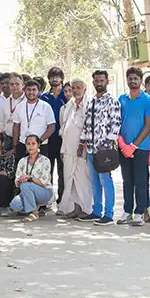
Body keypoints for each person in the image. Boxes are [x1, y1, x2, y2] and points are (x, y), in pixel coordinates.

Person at [78, 70, 121, 226]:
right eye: (96, 80)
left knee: (105, 180)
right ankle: (96, 211)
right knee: (94, 181)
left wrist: (107, 143)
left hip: (103, 149)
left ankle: (108, 214)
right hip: (90, 147)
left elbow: (116, 124)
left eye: (101, 80)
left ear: (107, 81)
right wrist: (82, 142)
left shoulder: (112, 101)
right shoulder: (90, 101)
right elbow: (87, 123)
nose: (99, 83)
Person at [116, 67, 150, 226]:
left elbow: (148, 125)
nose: (133, 81)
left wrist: (133, 145)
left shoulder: (148, 100)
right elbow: (116, 122)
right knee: (127, 181)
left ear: (140, 81)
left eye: (136, 78)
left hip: (141, 147)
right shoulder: (121, 99)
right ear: (127, 80)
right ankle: (127, 211)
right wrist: (123, 144)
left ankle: (139, 212)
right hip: (123, 147)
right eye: (130, 78)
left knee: (141, 181)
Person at [56, 80, 92, 218]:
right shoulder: (69, 106)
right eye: (74, 88)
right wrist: (63, 148)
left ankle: (86, 209)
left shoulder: (89, 104)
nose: (76, 90)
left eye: (79, 88)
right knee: (70, 180)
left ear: (85, 89)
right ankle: (75, 208)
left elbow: (88, 127)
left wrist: (83, 144)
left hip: (82, 150)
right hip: (68, 149)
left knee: (82, 180)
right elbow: (64, 128)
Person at [2, 135, 52, 221]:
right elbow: (17, 182)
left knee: (26, 185)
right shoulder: (22, 161)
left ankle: (34, 213)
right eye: (28, 144)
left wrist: (29, 179)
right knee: (15, 204)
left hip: (44, 192)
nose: (30, 146)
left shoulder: (45, 160)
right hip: (26, 190)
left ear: (38, 145)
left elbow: (44, 182)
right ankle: (35, 207)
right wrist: (20, 181)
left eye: (33, 143)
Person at [12, 79, 55, 160]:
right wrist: (15, 145)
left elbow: (52, 127)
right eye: (28, 89)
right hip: (23, 144)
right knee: (22, 171)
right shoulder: (19, 106)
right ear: (24, 91)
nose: (31, 92)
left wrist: (39, 141)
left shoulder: (45, 106)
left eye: (34, 90)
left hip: (41, 145)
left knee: (39, 171)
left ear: (38, 91)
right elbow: (16, 126)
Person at [41, 67, 67, 201]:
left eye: (57, 77)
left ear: (62, 78)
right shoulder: (43, 97)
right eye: (52, 77)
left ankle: (62, 199)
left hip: (64, 140)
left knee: (63, 172)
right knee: (47, 170)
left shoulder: (67, 95)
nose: (55, 79)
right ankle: (47, 199)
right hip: (48, 139)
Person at [0, 72, 24, 151]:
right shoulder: (6, 102)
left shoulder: (27, 101)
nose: (14, 86)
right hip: (8, 138)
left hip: (23, 139)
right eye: (11, 84)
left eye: (17, 84)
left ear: (23, 85)